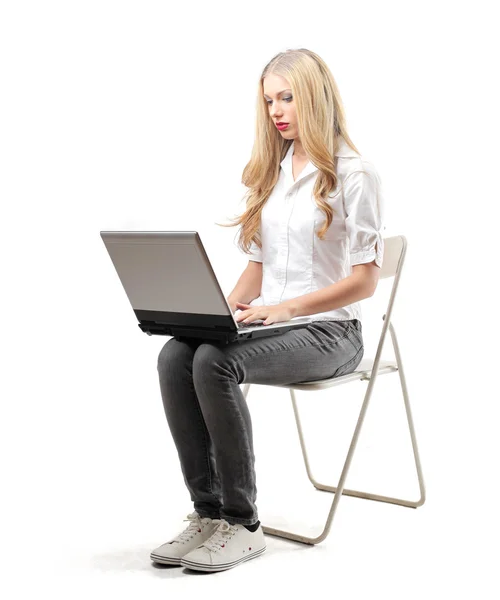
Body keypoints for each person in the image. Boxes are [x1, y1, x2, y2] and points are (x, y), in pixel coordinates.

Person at [151, 48, 385, 573]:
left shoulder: (354, 173)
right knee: (175, 355)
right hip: (274, 327)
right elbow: (257, 268)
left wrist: (286, 308)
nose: (276, 110)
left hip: (330, 334)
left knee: (215, 361)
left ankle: (242, 523)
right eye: (269, 100)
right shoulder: (273, 172)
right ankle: (208, 514)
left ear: (315, 97)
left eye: (287, 97)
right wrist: (221, 310)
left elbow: (366, 281)